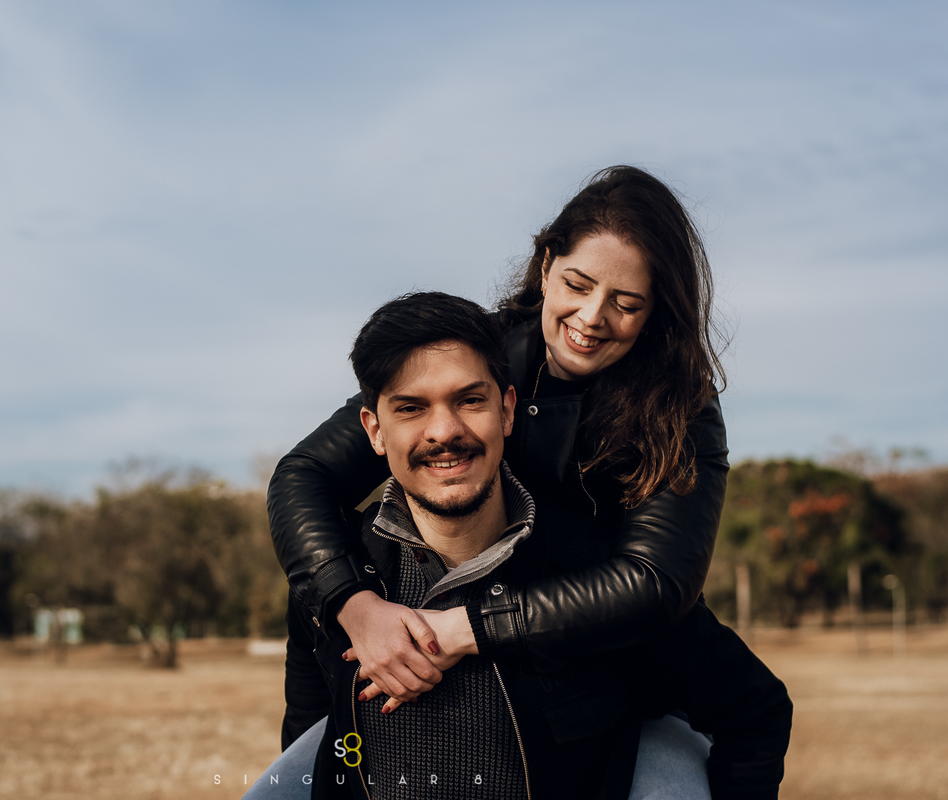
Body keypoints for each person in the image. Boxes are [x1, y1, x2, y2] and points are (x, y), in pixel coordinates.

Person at [261, 166, 791, 798]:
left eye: (626, 303)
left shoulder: (680, 406)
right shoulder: (468, 355)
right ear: (546, 266)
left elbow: (656, 583)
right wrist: (355, 606)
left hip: (614, 654)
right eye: (577, 284)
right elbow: (302, 474)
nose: (592, 317)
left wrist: (461, 628)